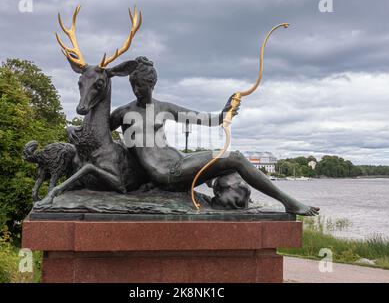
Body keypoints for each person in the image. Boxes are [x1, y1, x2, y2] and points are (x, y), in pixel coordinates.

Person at [110, 56, 319, 215]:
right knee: (234, 158)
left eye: (142, 86)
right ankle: (288, 202)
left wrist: (225, 112)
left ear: (152, 85)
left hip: (178, 163)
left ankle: (278, 201)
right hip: (166, 174)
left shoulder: (163, 107)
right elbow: (98, 133)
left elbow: (207, 120)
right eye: (133, 85)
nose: (137, 90)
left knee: (231, 160)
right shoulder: (123, 113)